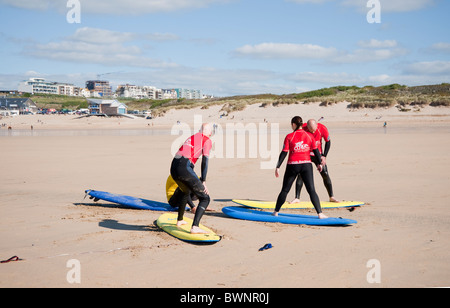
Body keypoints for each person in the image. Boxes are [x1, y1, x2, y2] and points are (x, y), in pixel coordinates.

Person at [274, 116, 328, 219]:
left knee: (285, 190)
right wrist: (320, 164)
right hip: (306, 165)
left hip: (292, 165)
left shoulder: (289, 136)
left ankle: (276, 212)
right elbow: (316, 152)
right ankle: (320, 213)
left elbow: (284, 153)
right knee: (311, 190)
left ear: (294, 124)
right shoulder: (309, 136)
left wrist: (278, 166)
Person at [170, 123, 213, 234]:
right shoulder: (207, 139)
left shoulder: (193, 137)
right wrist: (203, 180)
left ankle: (180, 220)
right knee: (205, 198)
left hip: (173, 167)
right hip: (184, 166)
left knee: (186, 191)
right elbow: (205, 161)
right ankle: (195, 227)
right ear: (210, 132)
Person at [291, 119, 339, 204]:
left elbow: (328, 142)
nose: (312, 132)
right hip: (306, 154)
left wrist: (324, 156)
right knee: (301, 175)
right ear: (307, 127)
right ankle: (297, 198)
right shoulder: (302, 128)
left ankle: (331, 196)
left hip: (318, 154)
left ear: (317, 126)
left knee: (325, 173)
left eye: (314, 130)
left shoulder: (322, 128)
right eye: (310, 130)